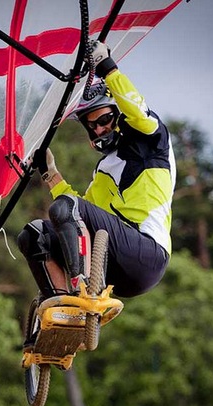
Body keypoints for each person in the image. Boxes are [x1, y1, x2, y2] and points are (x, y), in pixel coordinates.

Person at [17, 41, 176, 302]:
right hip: (113, 263)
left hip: (147, 254)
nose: (99, 130)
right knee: (35, 235)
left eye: (103, 121)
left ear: (117, 113)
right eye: (91, 127)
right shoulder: (105, 169)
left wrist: (107, 68)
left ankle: (81, 293)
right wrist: (50, 173)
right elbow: (78, 216)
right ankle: (60, 308)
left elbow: (137, 110)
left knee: (69, 207)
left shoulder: (152, 140)